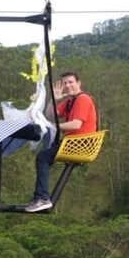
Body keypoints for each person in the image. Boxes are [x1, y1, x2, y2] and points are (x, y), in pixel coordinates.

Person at [25, 72, 97, 212]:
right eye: (65, 83)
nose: (68, 86)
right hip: (72, 143)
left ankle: (42, 197)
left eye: (71, 82)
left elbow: (76, 125)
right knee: (46, 153)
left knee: (43, 157)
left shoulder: (83, 99)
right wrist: (55, 99)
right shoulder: (70, 101)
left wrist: (53, 127)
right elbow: (50, 115)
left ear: (79, 83)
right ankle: (41, 196)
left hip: (81, 143)